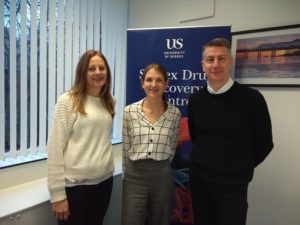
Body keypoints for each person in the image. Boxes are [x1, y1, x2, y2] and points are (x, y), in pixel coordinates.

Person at [187, 38, 274, 225]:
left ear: (231, 62)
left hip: (233, 187)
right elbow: (197, 137)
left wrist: (239, 168)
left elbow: (265, 144)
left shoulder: (252, 99)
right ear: (203, 64)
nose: (215, 64)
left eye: (221, 59)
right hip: (200, 183)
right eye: (210, 60)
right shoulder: (195, 100)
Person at [47, 50, 115, 225]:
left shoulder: (109, 101)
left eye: (102, 68)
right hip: (76, 187)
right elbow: (55, 148)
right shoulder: (68, 100)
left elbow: (100, 139)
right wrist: (57, 194)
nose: (98, 72)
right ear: (82, 73)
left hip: (104, 183)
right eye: (91, 68)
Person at [122, 63, 181, 225]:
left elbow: (172, 147)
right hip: (134, 179)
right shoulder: (129, 111)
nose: (153, 85)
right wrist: (127, 174)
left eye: (159, 80)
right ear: (142, 83)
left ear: (166, 83)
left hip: (162, 178)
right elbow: (126, 148)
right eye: (149, 80)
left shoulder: (175, 114)